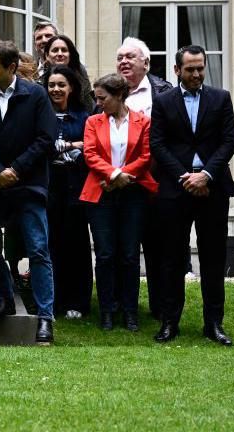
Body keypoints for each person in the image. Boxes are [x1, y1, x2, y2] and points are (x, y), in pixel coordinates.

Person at [0, 39, 57, 343]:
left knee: (37, 249)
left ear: (12, 67)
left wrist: (15, 171)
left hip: (28, 184)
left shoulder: (35, 96)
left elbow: (45, 139)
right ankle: (6, 296)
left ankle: (45, 317)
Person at [150, 45, 234, 346]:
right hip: (175, 190)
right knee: (172, 258)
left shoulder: (221, 98)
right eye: (190, 69)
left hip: (213, 188)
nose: (197, 73)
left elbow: (229, 141)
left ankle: (213, 324)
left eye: (200, 67)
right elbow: (158, 145)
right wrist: (185, 176)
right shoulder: (162, 102)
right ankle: (169, 323)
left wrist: (206, 175)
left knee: (213, 258)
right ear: (177, 71)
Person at [81, 73, 157, 332]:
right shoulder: (93, 122)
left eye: (103, 98)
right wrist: (114, 175)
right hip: (100, 193)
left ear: (119, 96)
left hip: (134, 194)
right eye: (97, 97)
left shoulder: (143, 122)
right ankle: (107, 311)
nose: (98, 102)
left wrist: (124, 177)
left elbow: (147, 156)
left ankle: (130, 311)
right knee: (104, 254)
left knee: (129, 254)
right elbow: (90, 154)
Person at [117, 36, 174, 318]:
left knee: (156, 245)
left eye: (130, 57)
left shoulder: (163, 92)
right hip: (117, 183)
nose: (123, 62)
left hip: (154, 180)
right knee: (121, 248)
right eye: (120, 58)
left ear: (146, 63)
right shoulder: (108, 92)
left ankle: (160, 306)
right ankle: (120, 305)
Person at [44, 65, 93, 320]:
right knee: (52, 244)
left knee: (76, 244)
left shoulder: (84, 116)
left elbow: (91, 147)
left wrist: (70, 146)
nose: (56, 90)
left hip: (76, 187)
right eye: (52, 85)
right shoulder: (41, 115)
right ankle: (54, 300)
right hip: (49, 187)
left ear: (71, 88)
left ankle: (78, 301)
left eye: (61, 85)